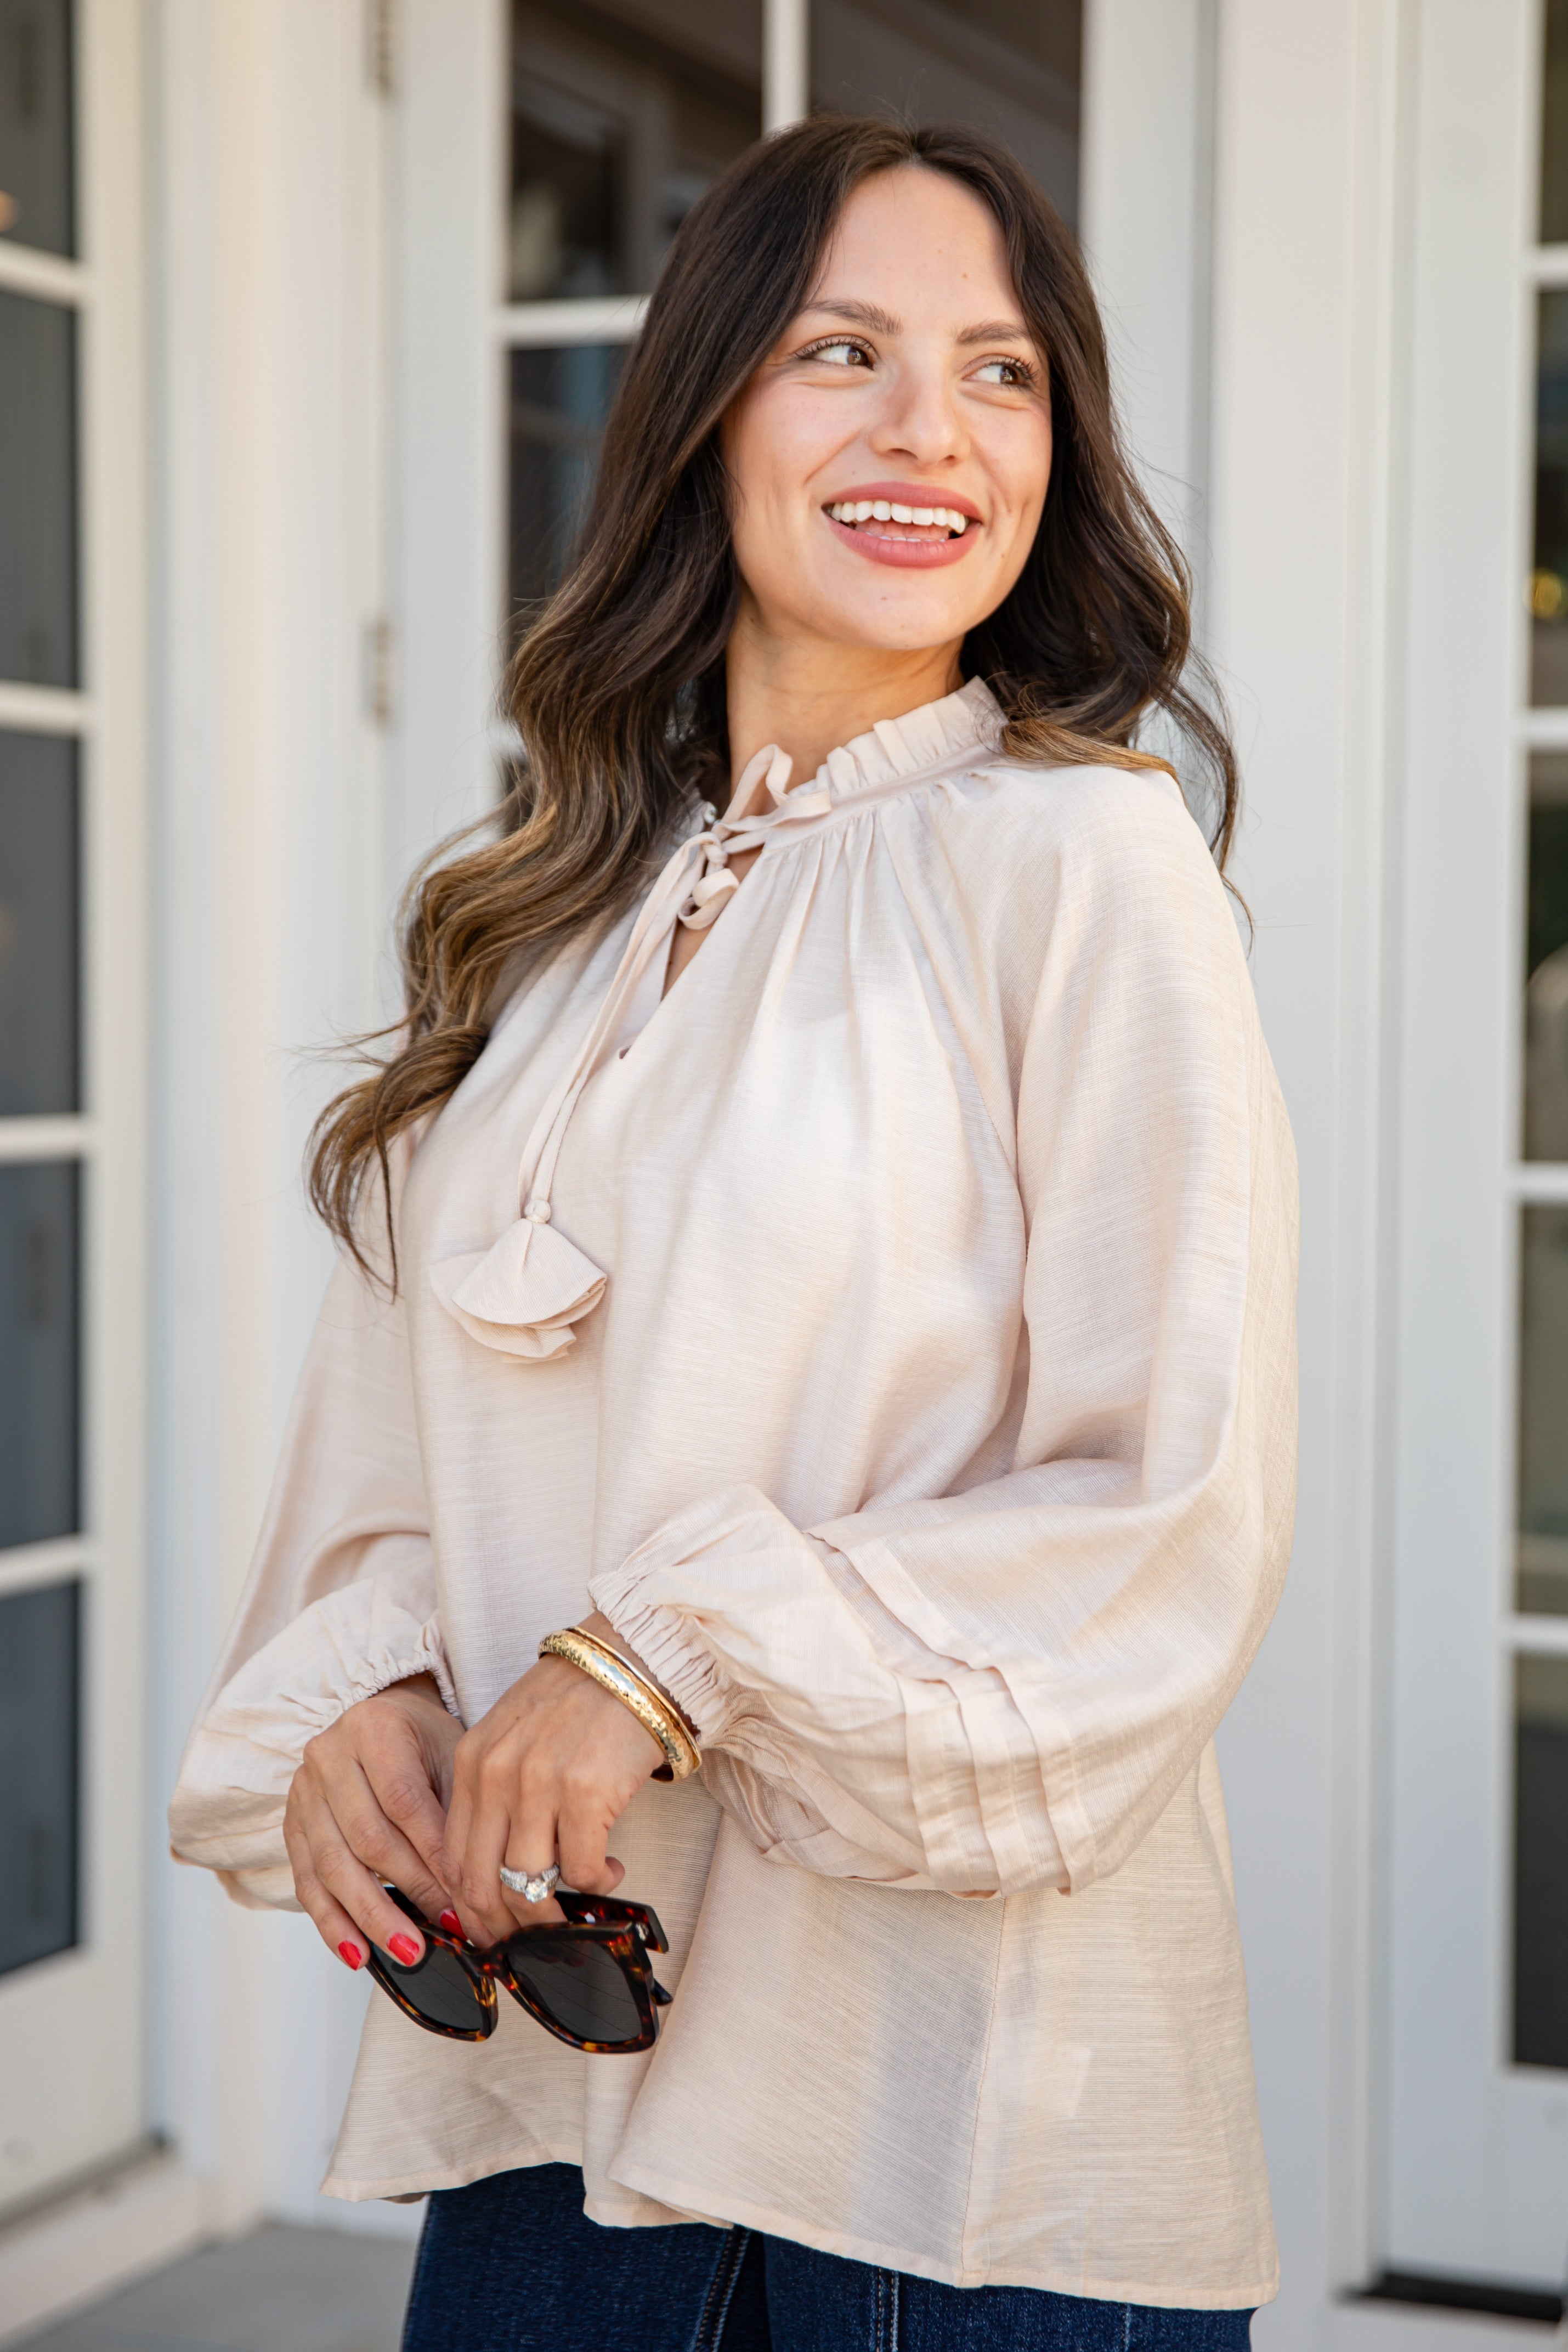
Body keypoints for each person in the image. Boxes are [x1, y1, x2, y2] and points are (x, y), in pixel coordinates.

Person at [169, 114, 1298, 2352]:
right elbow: (393, 1469)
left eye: (1000, 373)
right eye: (839, 352)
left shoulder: (1087, 864)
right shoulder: (546, 905)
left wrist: (654, 1652)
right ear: (700, 418)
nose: (927, 432)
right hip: (551, 2114)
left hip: (944, 2146)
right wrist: (360, 1705)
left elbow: (1163, 1504)